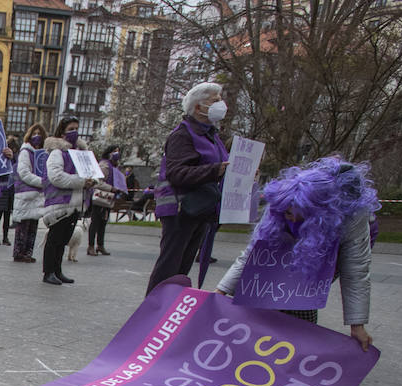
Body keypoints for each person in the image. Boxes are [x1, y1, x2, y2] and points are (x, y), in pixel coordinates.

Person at [216, 157, 377, 352]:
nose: (289, 218)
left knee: (298, 305)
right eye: (286, 213)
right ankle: (249, 347)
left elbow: (355, 271)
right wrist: (220, 292)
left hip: (323, 259)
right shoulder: (281, 204)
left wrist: (357, 324)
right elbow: (252, 254)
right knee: (260, 298)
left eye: (294, 214)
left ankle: (294, 351)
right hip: (280, 255)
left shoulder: (352, 218)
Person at [145, 82, 229, 293]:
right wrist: (215, 170)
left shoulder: (211, 136)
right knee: (169, 267)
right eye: (215, 100)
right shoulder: (182, 135)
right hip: (180, 209)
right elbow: (177, 173)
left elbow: (219, 168)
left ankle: (168, 310)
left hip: (199, 209)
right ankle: (151, 314)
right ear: (199, 107)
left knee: (182, 269)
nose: (221, 104)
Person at [41, 119, 93, 286]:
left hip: (74, 202)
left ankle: (57, 270)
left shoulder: (79, 154)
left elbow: (89, 173)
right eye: (71, 129)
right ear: (62, 133)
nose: (75, 132)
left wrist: (91, 181)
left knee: (63, 239)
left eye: (77, 129)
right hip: (59, 203)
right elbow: (55, 176)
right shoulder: (57, 153)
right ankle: (48, 271)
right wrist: (81, 181)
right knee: (54, 238)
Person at [12, 123, 47, 263]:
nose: (37, 136)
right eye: (34, 133)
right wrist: (42, 182)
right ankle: (19, 252)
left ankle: (28, 252)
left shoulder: (43, 154)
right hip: (26, 193)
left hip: (37, 194)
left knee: (33, 225)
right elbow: (24, 172)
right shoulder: (26, 152)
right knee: (23, 224)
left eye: (39, 133)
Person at [88, 146, 126, 255]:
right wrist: (111, 188)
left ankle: (100, 245)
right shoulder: (104, 166)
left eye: (118, 151)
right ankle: (91, 246)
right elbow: (98, 182)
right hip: (100, 198)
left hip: (108, 199)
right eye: (114, 151)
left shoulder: (114, 167)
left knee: (103, 222)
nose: (117, 153)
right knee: (95, 222)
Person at [0, 138, 17, 245]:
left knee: (6, 215)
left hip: (10, 189)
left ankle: (4, 237)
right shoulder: (0, 157)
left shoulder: (14, 158)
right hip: (2, 189)